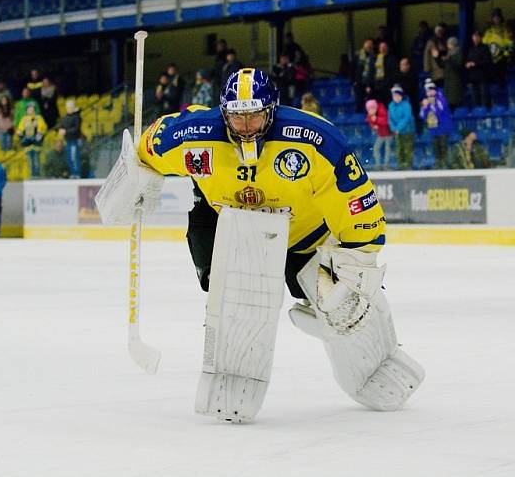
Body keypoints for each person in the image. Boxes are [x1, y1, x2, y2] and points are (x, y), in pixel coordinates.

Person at [96, 68, 424, 420]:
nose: (247, 125)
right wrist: (131, 184)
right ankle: (232, 374)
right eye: (237, 116)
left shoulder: (314, 140)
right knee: (236, 300)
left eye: (255, 115)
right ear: (224, 113)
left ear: (273, 110)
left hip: (306, 235)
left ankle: (375, 359)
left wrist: (358, 260)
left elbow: (354, 199)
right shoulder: (191, 135)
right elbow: (145, 148)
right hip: (233, 227)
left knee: (349, 306)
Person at [420, 79, 454, 169]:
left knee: (443, 145)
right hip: (433, 129)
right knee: (436, 147)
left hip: (443, 128)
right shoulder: (426, 102)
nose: (430, 93)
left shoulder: (441, 98)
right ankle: (438, 162)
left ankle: (445, 162)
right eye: (428, 91)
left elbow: (440, 110)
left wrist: (431, 104)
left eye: (431, 90)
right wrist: (425, 107)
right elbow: (423, 116)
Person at [482, 9, 514, 89]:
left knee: (501, 77)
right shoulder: (489, 30)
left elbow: (509, 42)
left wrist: (507, 54)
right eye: (494, 18)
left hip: (501, 57)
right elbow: (484, 42)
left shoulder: (505, 29)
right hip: (491, 58)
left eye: (498, 17)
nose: (496, 19)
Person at [387, 85, 416, 170]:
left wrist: (398, 128)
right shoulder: (391, 105)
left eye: (398, 96)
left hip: (408, 131)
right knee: (399, 148)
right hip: (397, 132)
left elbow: (406, 118)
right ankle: (400, 164)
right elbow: (390, 118)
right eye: (394, 96)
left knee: (407, 148)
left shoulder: (406, 105)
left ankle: (408, 165)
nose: (396, 97)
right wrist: (393, 128)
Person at [16, 104, 47, 178]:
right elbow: (20, 129)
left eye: (32, 108)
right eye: (29, 108)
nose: (31, 110)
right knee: (30, 160)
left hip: (36, 142)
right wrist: (20, 133)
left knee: (36, 159)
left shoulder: (39, 118)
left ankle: (37, 174)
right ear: (27, 110)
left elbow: (44, 127)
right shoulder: (24, 119)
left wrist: (40, 133)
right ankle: (32, 174)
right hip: (28, 142)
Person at [465, 30, 492, 109]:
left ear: (480, 38)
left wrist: (475, 63)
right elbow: (467, 59)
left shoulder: (485, 48)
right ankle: (477, 112)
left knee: (484, 95)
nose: (475, 38)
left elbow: (487, 61)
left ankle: (486, 112)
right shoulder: (470, 49)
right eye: (474, 36)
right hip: (473, 77)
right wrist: (467, 64)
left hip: (483, 76)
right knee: (475, 97)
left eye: (477, 36)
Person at [58, 99, 83, 178]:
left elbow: (76, 129)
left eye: (71, 107)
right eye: (68, 107)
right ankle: (73, 173)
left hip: (74, 140)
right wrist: (61, 130)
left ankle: (77, 173)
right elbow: (62, 126)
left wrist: (66, 131)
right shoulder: (65, 117)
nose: (69, 109)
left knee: (74, 157)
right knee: (69, 158)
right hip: (68, 140)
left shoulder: (76, 117)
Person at [365, 99, 392, 170]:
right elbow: (371, 123)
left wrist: (376, 119)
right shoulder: (370, 116)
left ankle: (386, 165)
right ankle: (378, 164)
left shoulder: (382, 111)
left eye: (373, 109)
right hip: (381, 134)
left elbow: (386, 121)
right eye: (369, 109)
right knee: (376, 148)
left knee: (387, 149)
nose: (371, 111)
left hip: (388, 133)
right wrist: (374, 126)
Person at [353, 38, 375, 111]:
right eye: (367, 43)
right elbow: (352, 67)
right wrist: (354, 80)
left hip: (370, 81)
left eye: (370, 44)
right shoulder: (358, 55)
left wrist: (370, 84)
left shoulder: (374, 56)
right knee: (359, 100)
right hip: (359, 81)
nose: (369, 46)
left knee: (369, 101)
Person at [442, 37, 464, 110]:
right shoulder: (449, 53)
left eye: (449, 44)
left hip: (455, 80)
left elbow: (458, 66)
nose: (448, 46)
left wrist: (449, 60)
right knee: (448, 100)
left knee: (455, 100)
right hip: (448, 80)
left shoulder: (459, 52)